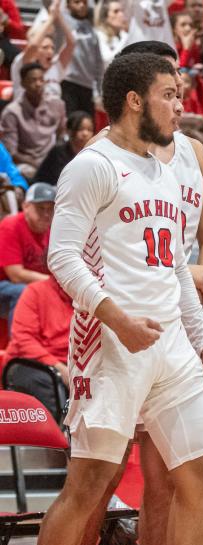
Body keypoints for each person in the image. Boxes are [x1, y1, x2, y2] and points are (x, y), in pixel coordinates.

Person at [21, 51, 203, 545]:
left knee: (199, 474)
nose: (181, 105)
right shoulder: (91, 166)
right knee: (89, 484)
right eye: (171, 93)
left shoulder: (167, 172)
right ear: (136, 100)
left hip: (171, 351)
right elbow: (58, 258)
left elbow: (176, 272)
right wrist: (115, 318)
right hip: (109, 345)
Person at [3, 274, 71, 417]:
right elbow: (23, 339)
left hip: (70, 364)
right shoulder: (35, 291)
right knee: (48, 380)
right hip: (28, 363)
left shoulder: (87, 297)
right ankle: (55, 435)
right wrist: (60, 369)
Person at [1, 62, 66, 180]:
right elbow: (11, 152)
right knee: (26, 172)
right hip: (27, 163)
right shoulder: (12, 112)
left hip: (52, 160)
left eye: (41, 80)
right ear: (22, 84)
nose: (38, 84)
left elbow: (62, 136)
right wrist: (38, 165)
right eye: (33, 80)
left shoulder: (57, 104)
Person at [0, 182, 54, 318]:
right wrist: (53, 283)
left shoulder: (51, 231)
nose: (46, 214)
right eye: (40, 208)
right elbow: (16, 275)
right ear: (25, 206)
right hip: (6, 284)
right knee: (24, 291)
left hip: (32, 285)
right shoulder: (11, 225)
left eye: (50, 209)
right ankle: (19, 339)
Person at [10, 0, 74, 102]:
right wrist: (52, 17)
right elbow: (34, 45)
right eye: (45, 47)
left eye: (52, 48)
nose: (50, 51)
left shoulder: (55, 67)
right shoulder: (23, 63)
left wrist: (59, 16)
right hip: (26, 115)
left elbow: (71, 43)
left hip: (52, 115)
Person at [58, 0, 104, 117]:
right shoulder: (62, 22)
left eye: (84, 2)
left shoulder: (91, 28)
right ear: (68, 5)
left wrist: (98, 88)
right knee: (71, 124)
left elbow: (98, 62)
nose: (81, 5)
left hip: (87, 85)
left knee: (87, 126)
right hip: (68, 82)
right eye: (76, 2)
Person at [34, 110, 94, 186]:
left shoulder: (92, 153)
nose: (85, 133)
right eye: (80, 129)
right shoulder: (58, 152)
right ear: (69, 131)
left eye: (89, 130)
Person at [93, 0, 128, 66]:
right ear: (105, 17)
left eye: (122, 11)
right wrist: (126, 40)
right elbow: (107, 60)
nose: (121, 14)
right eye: (116, 11)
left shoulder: (124, 35)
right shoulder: (99, 36)